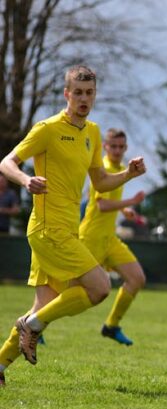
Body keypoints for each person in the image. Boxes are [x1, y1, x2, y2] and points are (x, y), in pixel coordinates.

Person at [0, 65, 146, 386]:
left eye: (89, 93)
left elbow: (102, 181)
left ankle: (2, 363)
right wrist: (26, 180)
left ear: (95, 95)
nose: (83, 98)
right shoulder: (47, 129)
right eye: (77, 92)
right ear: (67, 94)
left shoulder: (93, 132)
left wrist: (129, 175)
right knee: (100, 287)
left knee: (45, 305)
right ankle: (32, 325)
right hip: (47, 229)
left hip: (67, 229)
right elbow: (7, 162)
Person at [79, 128, 147, 346]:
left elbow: (109, 204)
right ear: (105, 147)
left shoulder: (119, 169)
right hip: (90, 238)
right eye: (113, 146)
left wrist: (123, 211)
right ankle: (35, 325)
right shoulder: (105, 169)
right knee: (69, 290)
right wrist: (130, 202)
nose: (117, 150)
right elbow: (101, 205)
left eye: (121, 147)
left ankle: (111, 325)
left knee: (137, 279)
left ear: (126, 148)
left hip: (109, 239)